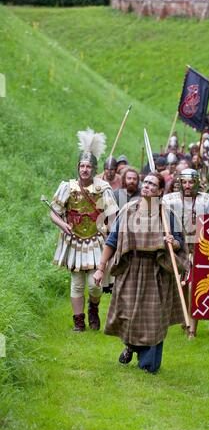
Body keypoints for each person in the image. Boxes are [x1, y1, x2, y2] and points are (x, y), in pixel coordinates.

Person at [94, 172, 189, 374]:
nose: (146, 186)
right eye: (145, 182)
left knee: (153, 318)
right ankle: (131, 345)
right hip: (131, 269)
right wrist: (101, 268)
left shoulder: (167, 215)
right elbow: (112, 242)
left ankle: (148, 365)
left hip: (157, 271)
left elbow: (180, 245)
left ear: (160, 190)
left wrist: (174, 242)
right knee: (129, 314)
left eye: (152, 184)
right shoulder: (128, 210)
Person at [50, 128, 119, 332]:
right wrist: (63, 225)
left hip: (96, 240)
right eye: (82, 166)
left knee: (95, 284)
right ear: (78, 167)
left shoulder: (102, 188)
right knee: (77, 284)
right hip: (74, 241)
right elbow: (54, 212)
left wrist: (111, 233)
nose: (85, 169)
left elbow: (113, 214)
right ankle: (79, 322)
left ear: (94, 169)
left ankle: (94, 308)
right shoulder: (67, 187)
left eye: (89, 166)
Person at [163, 169, 209, 339]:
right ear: (180, 183)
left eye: (190, 182)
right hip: (180, 249)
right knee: (181, 287)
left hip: (200, 249)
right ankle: (185, 318)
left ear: (196, 182)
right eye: (184, 182)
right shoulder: (170, 201)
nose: (187, 186)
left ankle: (192, 330)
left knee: (194, 287)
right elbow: (161, 220)